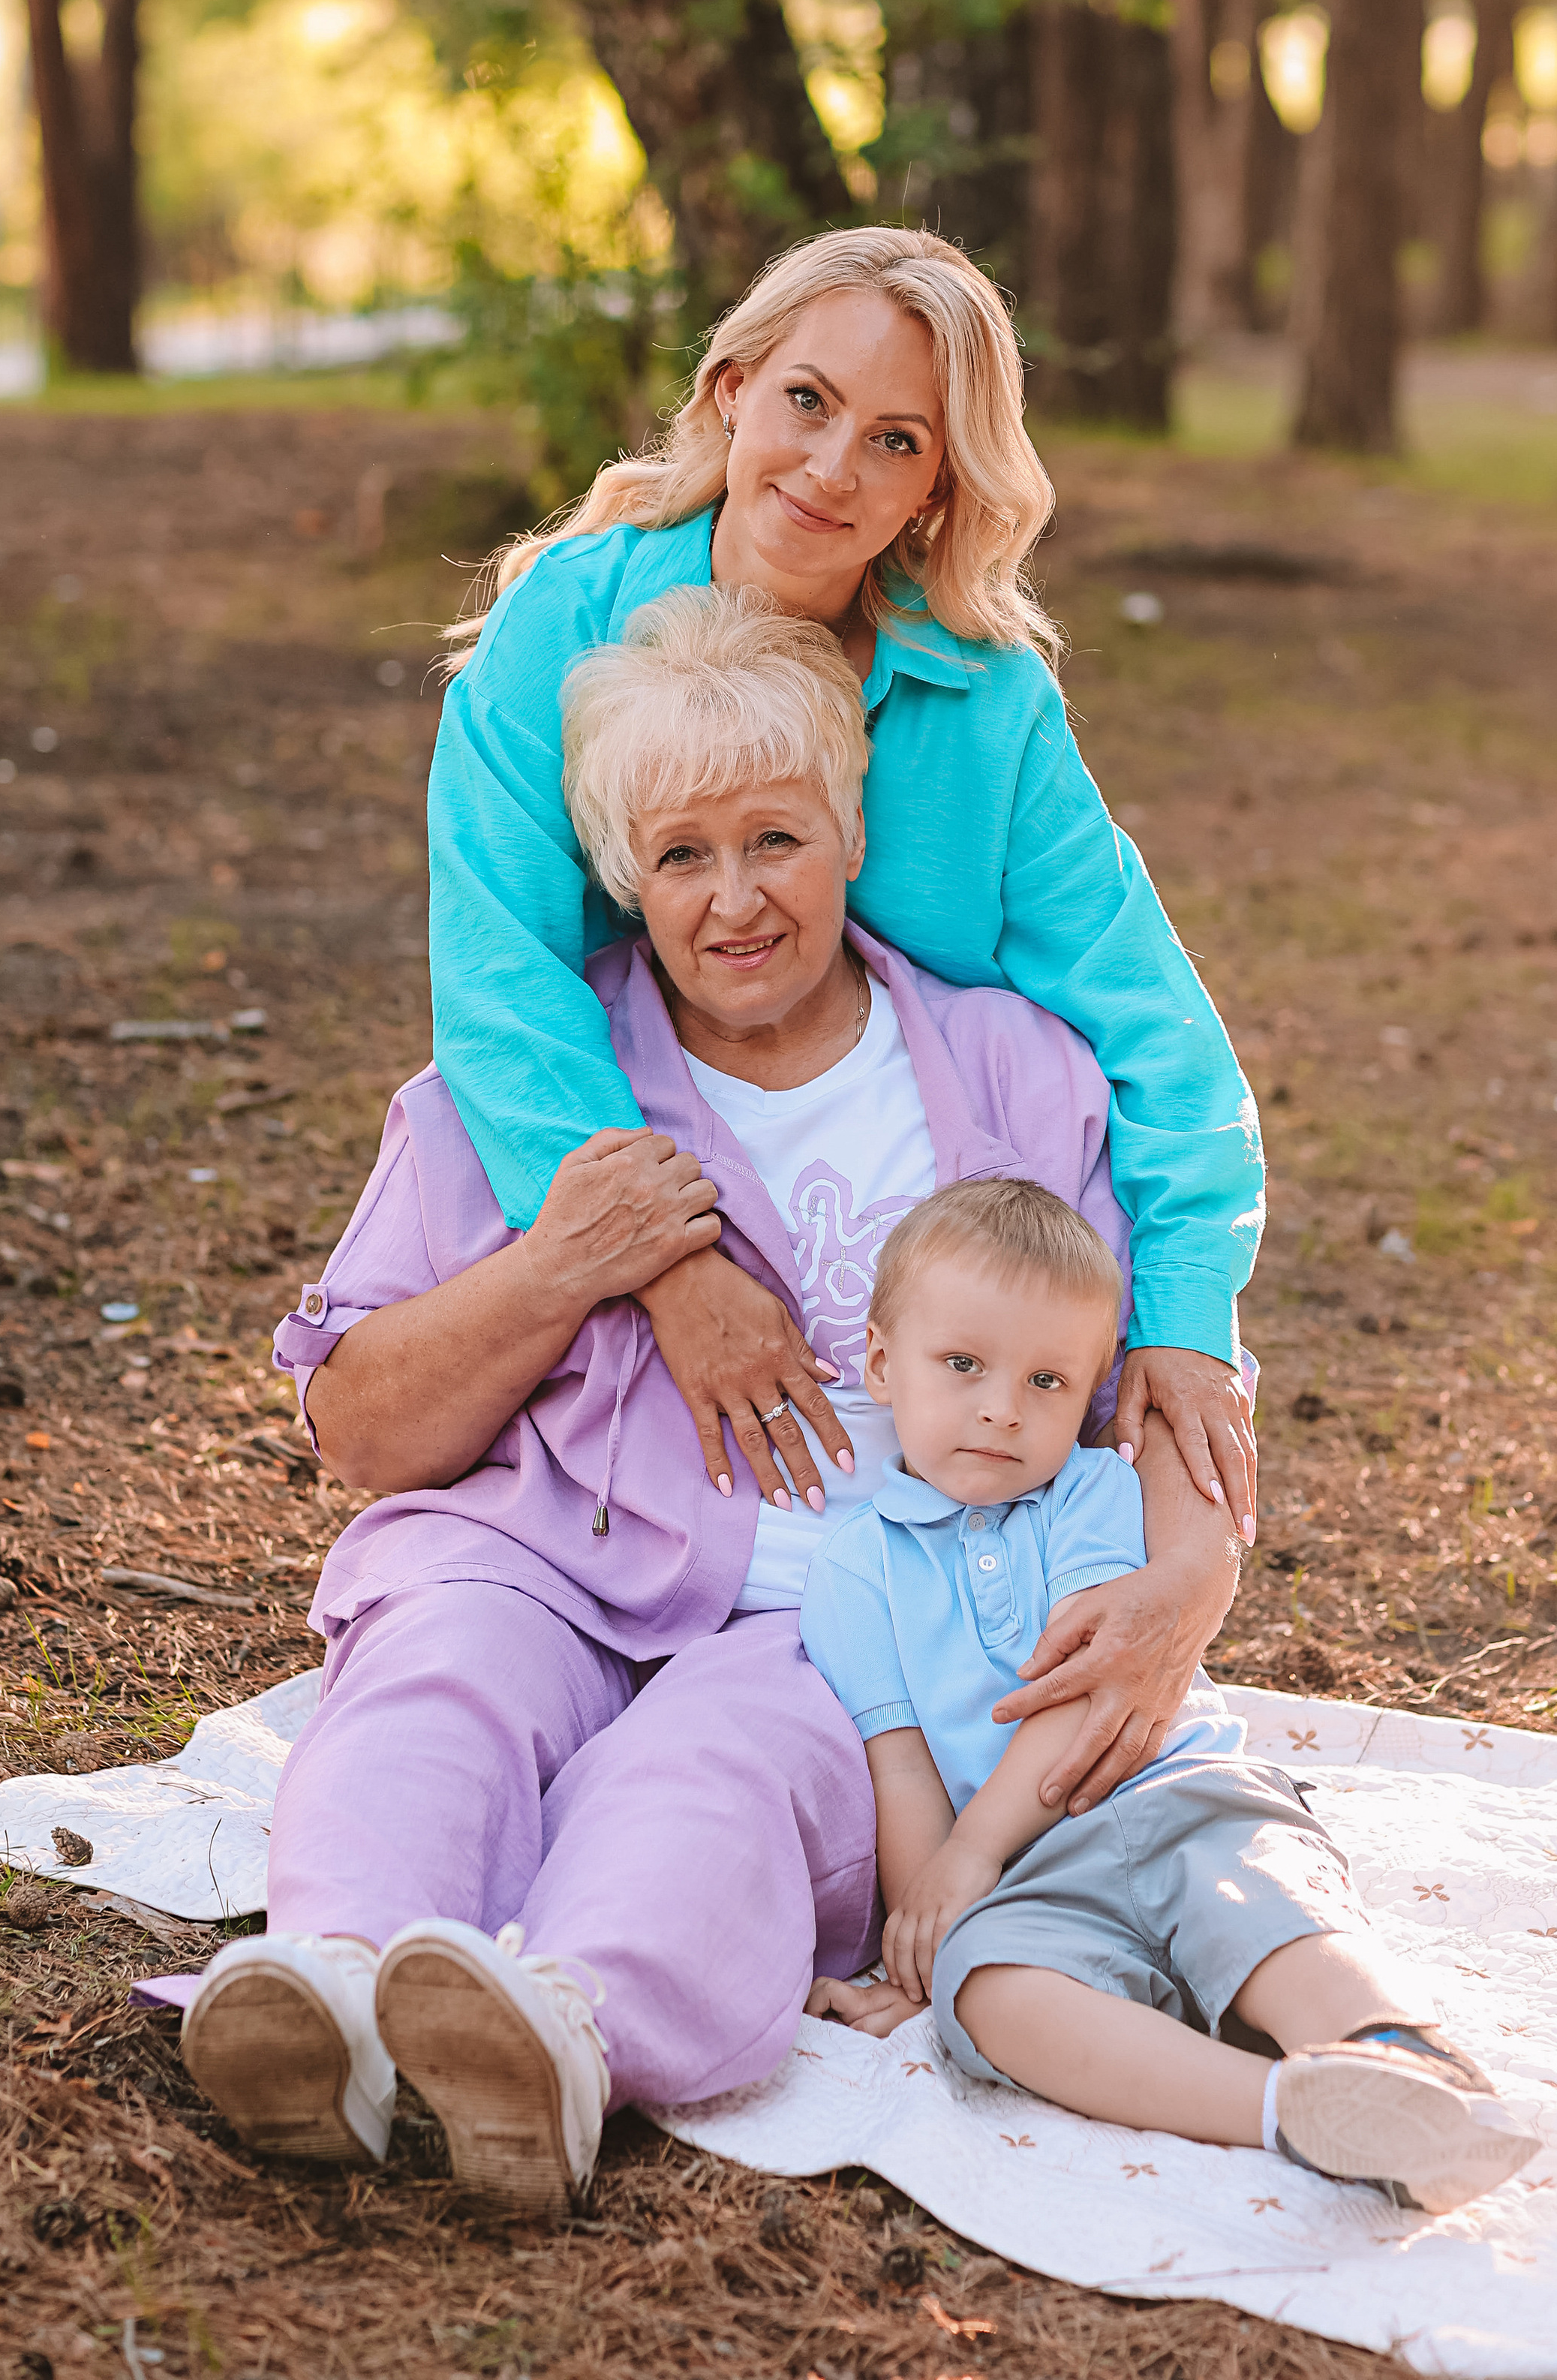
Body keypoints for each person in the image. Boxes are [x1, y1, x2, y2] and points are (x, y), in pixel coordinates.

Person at [177, 591, 1242, 2216]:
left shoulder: (1021, 1076)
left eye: (775, 841)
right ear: (625, 876)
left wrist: (1191, 1579)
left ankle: (562, 2037)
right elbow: (365, 1438)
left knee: (710, 1770)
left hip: (847, 1603)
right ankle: (325, 1997)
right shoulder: (524, 1087)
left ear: (849, 836)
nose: (734, 900)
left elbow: (1148, 1389)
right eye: (682, 856)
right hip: (538, 1551)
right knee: (439, 1679)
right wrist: (562, 1267)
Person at [427, 225, 1264, 1807]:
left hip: (909, 1205)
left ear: (935, 492)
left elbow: (1157, 1033)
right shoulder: (566, 625)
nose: (829, 468)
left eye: (896, 441)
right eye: (806, 402)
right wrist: (668, 1269)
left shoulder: (985, 702)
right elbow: (499, 979)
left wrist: (1183, 1323)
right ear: (729, 393)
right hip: (617, 1168)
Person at [798, 1179, 1540, 2217]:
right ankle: (1294, 2110)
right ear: (883, 1362)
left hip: (1172, 1793)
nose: (1004, 1407)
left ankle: (1401, 2057)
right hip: (1032, 1884)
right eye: (963, 1364)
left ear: (1090, 1392)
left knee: (1260, 1895)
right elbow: (902, 1768)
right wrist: (928, 1942)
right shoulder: (853, 1572)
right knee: (990, 1997)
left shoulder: (1091, 1493)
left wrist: (973, 1850)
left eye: (1048, 1381)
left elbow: (1093, 1688)